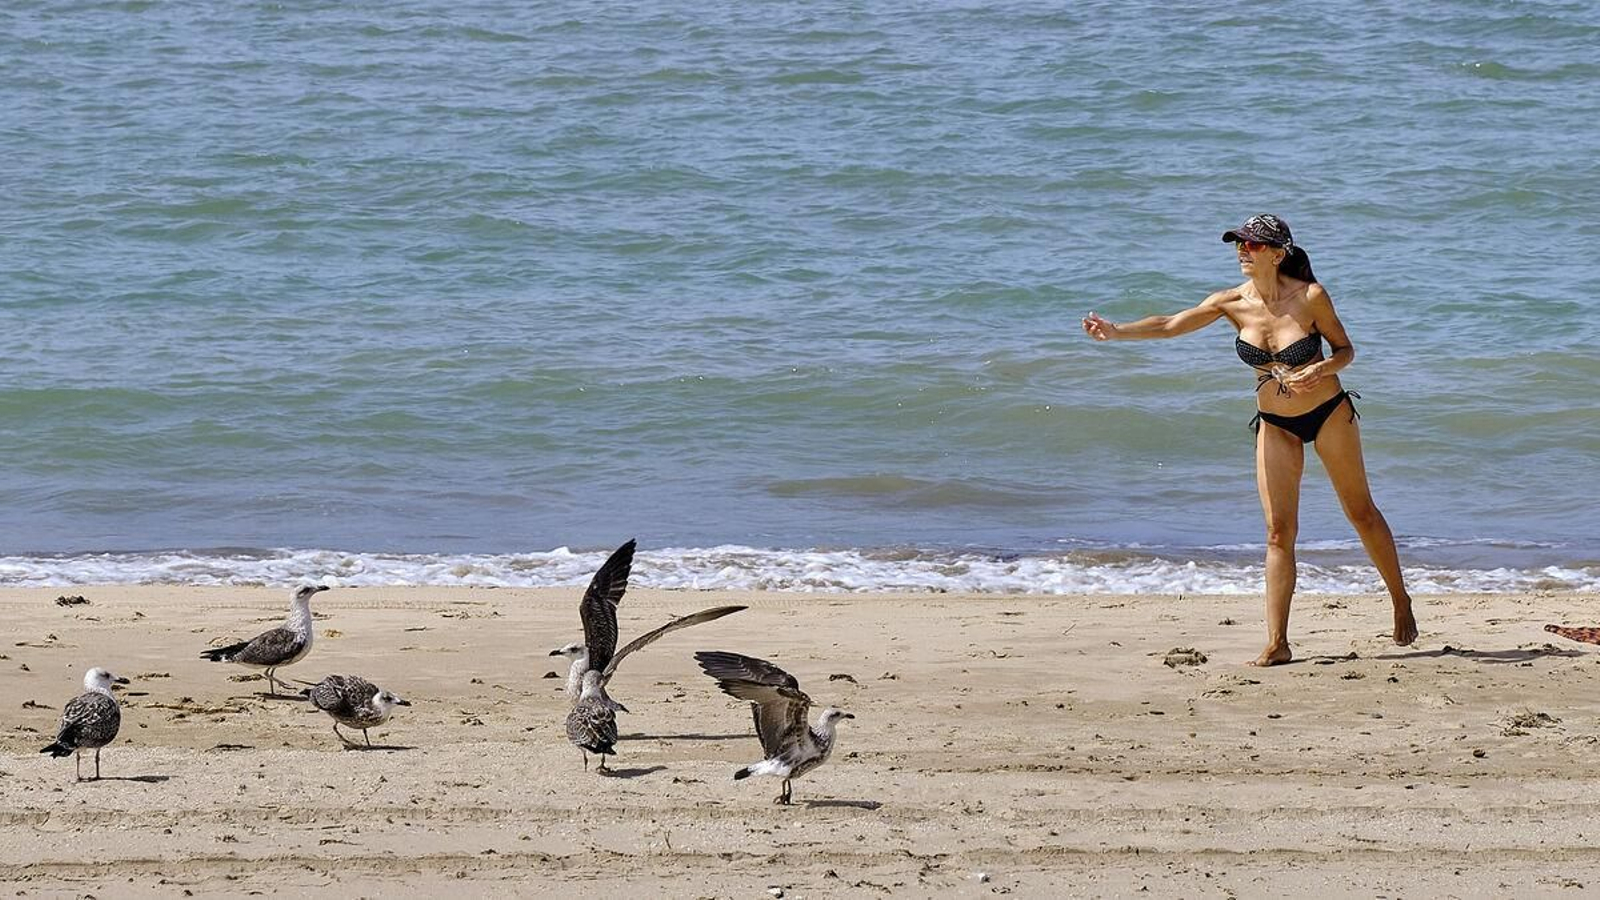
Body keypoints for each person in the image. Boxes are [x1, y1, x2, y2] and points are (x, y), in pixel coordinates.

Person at [1081, 214, 1417, 666]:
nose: (1242, 250)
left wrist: (1319, 368)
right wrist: (1117, 332)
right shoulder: (1231, 302)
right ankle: (1278, 641)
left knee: (1360, 512)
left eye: (1253, 245)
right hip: (1274, 423)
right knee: (1279, 532)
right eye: (1238, 243)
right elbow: (1169, 324)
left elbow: (1345, 351)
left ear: (1278, 253)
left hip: (1329, 414)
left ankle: (1400, 600)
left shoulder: (1310, 297)